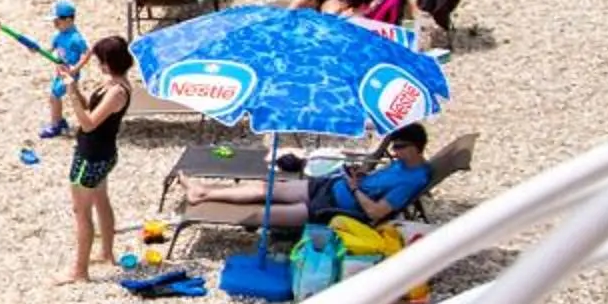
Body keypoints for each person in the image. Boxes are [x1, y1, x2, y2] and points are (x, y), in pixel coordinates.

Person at [181, 121, 433, 229]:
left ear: (416, 147)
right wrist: (358, 176)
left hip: (334, 210)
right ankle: (204, 192)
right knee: (266, 188)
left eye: (399, 147)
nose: (394, 152)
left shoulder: (412, 179)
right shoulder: (404, 165)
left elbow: (375, 212)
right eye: (394, 147)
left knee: (262, 215)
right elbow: (375, 184)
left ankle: (207, 202)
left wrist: (355, 188)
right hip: (331, 188)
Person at [58, 34, 133, 284]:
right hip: (102, 154)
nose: (97, 63)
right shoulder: (112, 83)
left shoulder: (117, 92)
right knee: (101, 201)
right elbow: (90, 110)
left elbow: (88, 124)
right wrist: (75, 87)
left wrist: (69, 91)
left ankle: (79, 272)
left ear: (108, 62)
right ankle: (106, 252)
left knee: (81, 211)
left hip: (92, 156)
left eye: (100, 59)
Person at [35, 1, 90, 140]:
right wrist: (36, 49)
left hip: (70, 74)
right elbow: (49, 49)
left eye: (57, 21)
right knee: (75, 94)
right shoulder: (58, 36)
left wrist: (75, 69)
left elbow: (86, 54)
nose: (55, 24)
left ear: (69, 20)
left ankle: (56, 124)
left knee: (54, 96)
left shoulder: (76, 38)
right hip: (60, 72)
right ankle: (91, 111)